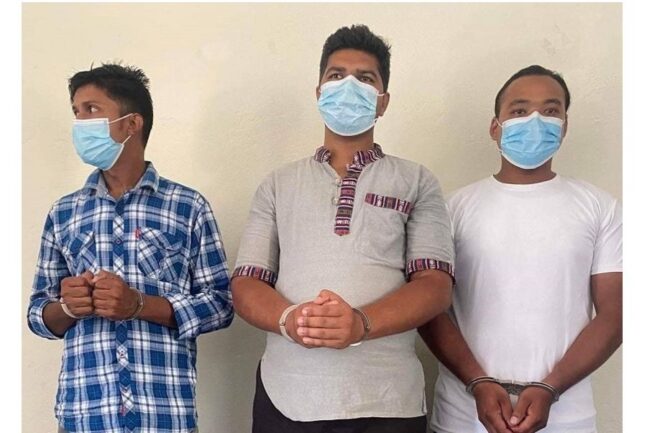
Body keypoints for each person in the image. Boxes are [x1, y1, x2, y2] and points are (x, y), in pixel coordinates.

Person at [231, 24, 454, 433]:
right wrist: (290, 319)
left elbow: (435, 286)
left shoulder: (417, 181)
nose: (349, 85)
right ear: (319, 93)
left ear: (383, 101)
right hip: (287, 396)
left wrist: (360, 324)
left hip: (388, 401)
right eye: (336, 75)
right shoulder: (278, 184)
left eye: (365, 78)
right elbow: (247, 284)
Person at [27, 63, 234, 433]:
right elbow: (37, 315)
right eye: (76, 111)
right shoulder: (63, 213)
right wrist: (69, 308)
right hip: (83, 417)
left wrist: (139, 304)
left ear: (131, 124)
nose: (79, 122)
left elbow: (221, 304)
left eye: (91, 110)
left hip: (165, 416)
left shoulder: (188, 207)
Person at [420, 65, 622, 433]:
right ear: (495, 127)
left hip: (568, 418)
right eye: (519, 110)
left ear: (564, 125)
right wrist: (477, 382)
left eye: (550, 110)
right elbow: (429, 308)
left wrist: (551, 387)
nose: (535, 120)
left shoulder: (600, 207)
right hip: (463, 415)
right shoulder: (451, 209)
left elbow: (615, 314)